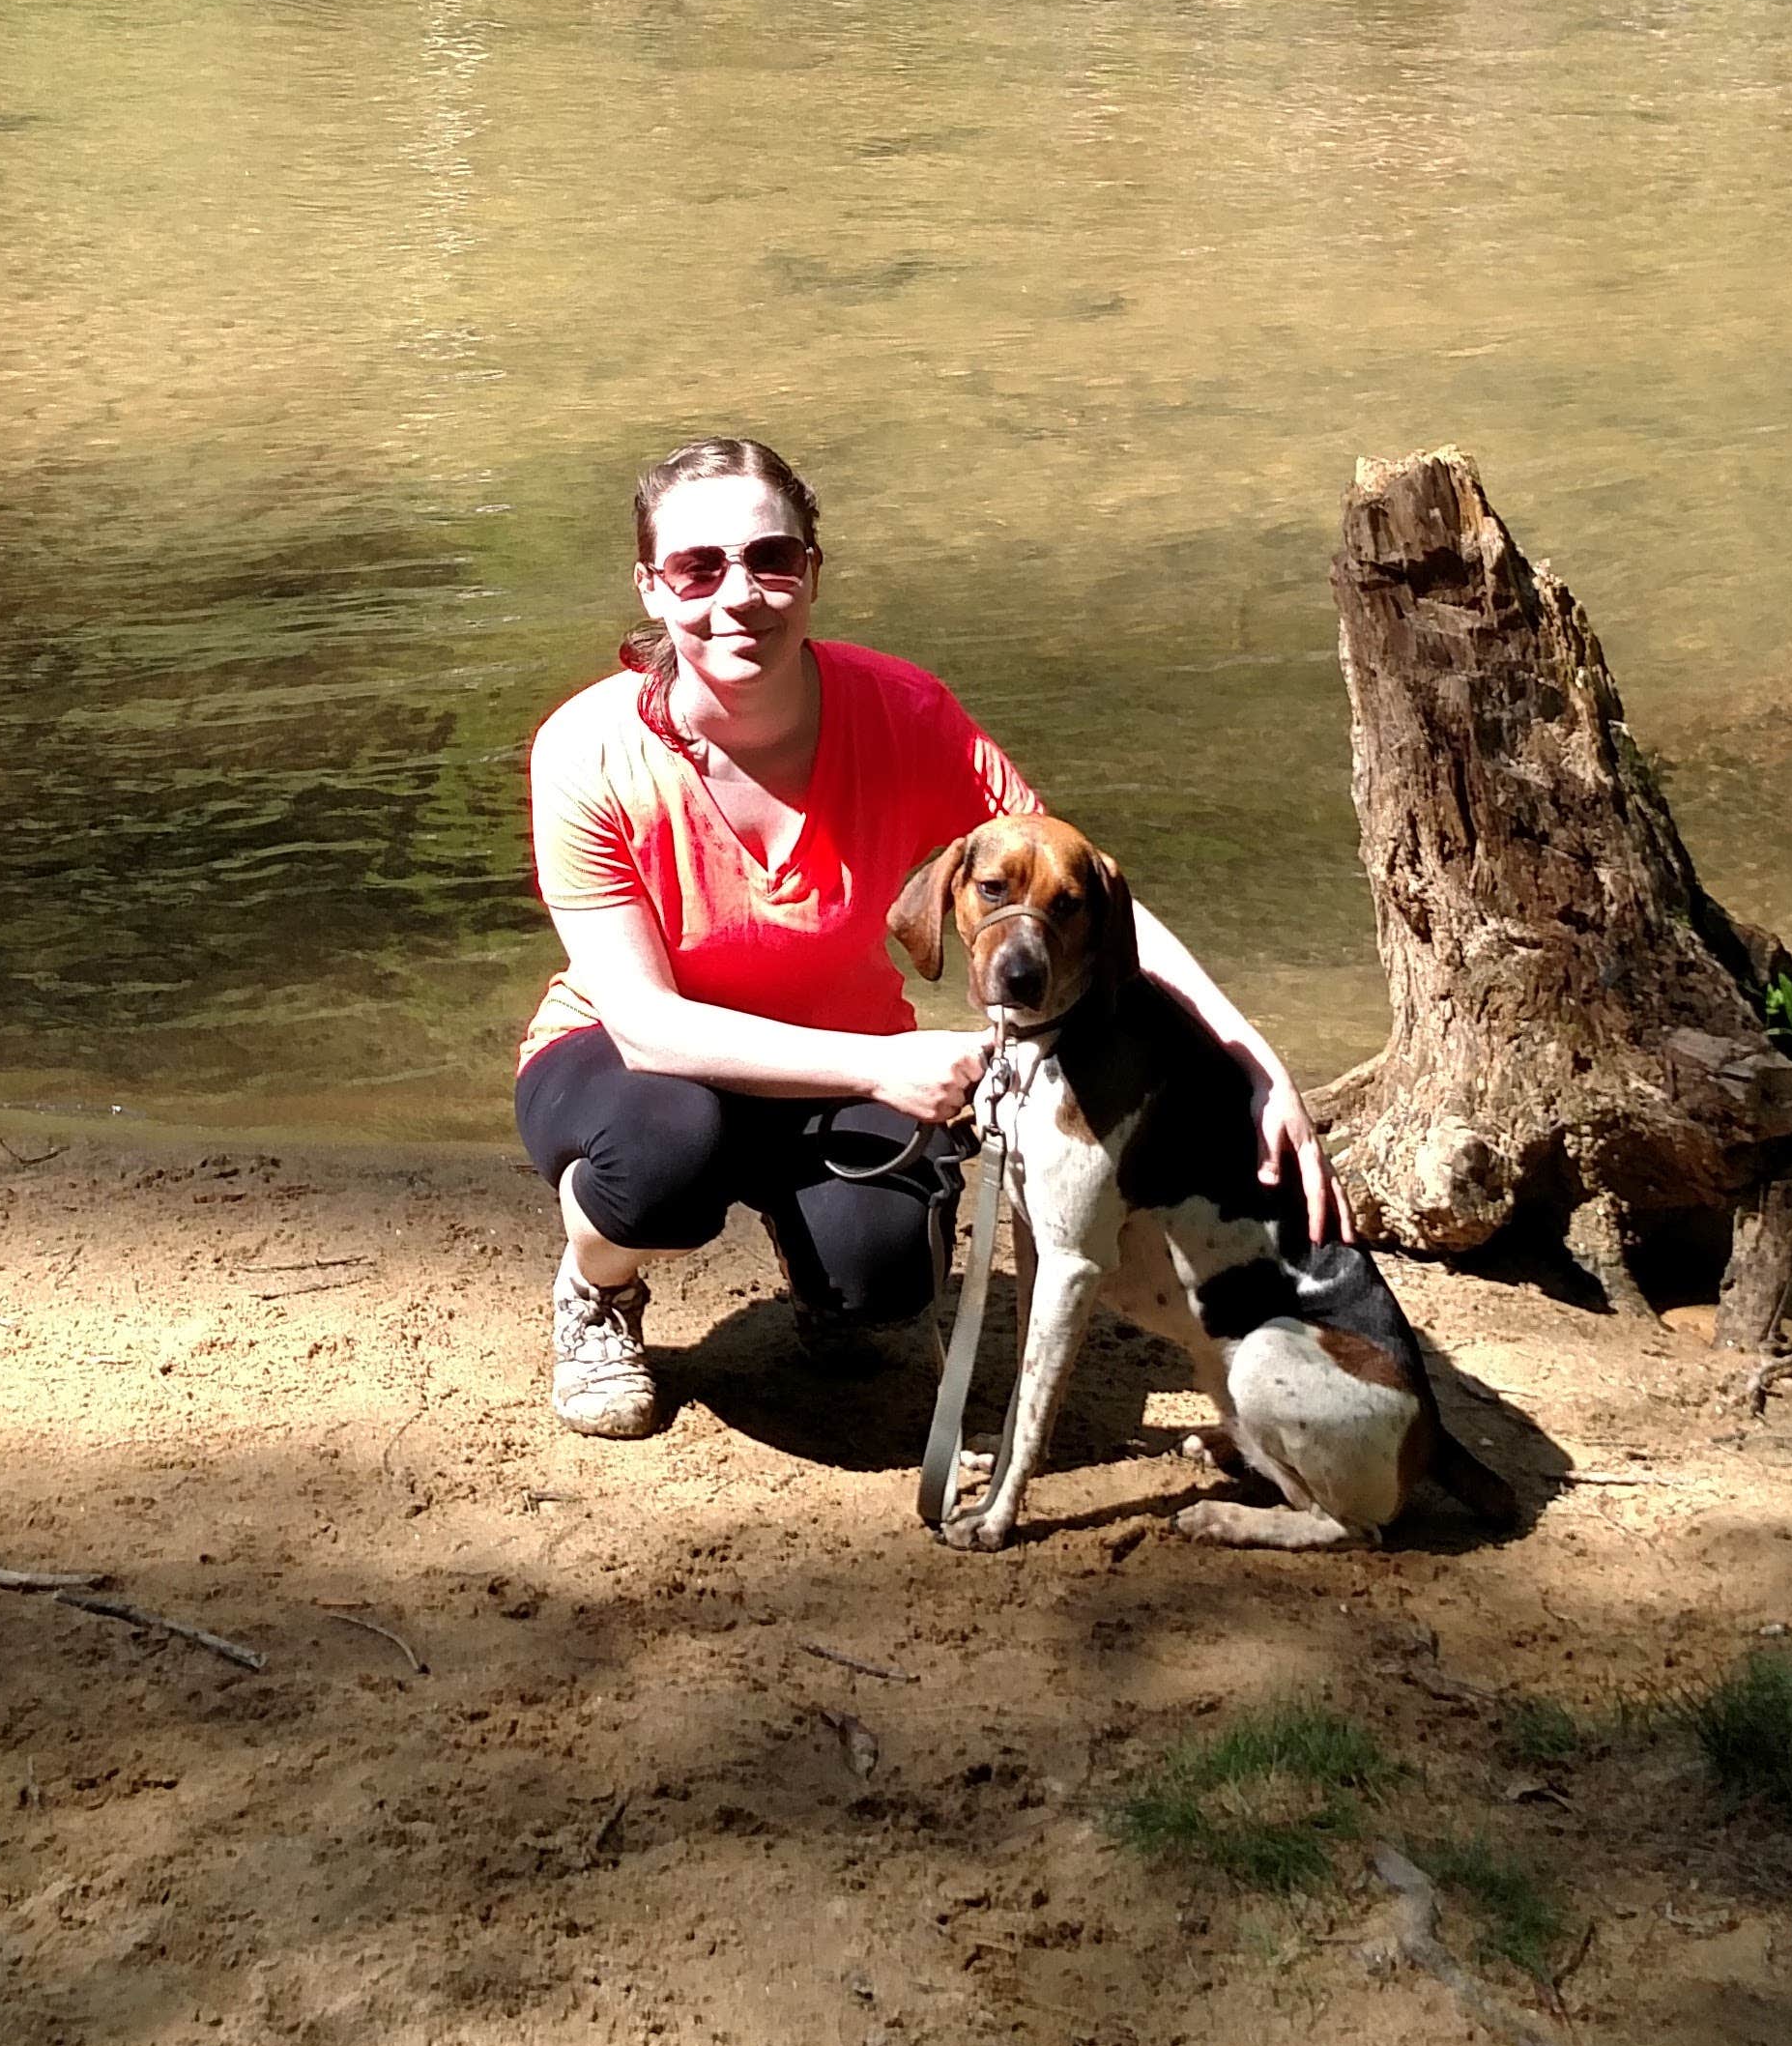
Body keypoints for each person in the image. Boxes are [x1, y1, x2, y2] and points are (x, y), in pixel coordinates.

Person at [515, 431, 1338, 1438]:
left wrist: (1247, 1050)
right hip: (637, 1066)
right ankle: (597, 1286)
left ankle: (824, 1271)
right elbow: (647, 1026)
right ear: (652, 585)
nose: (739, 593)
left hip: (844, 1068)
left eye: (773, 559)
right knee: (666, 1157)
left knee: (883, 1278)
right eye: (699, 566)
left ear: (812, 572)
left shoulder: (904, 712)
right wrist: (879, 1067)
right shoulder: (587, 749)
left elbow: (1079, 888)